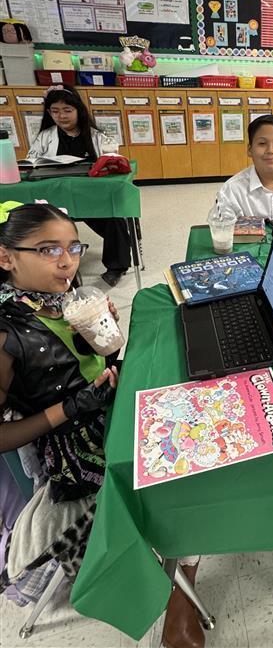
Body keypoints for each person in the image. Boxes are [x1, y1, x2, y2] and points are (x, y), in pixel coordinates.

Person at [0, 202, 205, 648]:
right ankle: (180, 575)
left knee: (192, 393)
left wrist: (105, 338)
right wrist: (70, 408)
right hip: (73, 445)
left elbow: (97, 362)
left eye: (73, 247)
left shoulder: (64, 300)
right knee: (182, 463)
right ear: (6, 257)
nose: (67, 260)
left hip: (102, 407)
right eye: (47, 249)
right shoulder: (7, 334)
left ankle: (184, 555)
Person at [27, 85, 131, 287]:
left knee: (115, 217)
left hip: (90, 197)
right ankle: (47, 264)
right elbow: (32, 162)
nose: (61, 116)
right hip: (55, 198)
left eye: (67, 110)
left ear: (78, 110)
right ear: (49, 113)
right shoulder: (45, 137)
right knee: (34, 220)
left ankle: (116, 267)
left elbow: (112, 160)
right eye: (55, 111)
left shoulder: (96, 136)